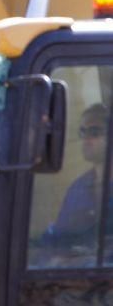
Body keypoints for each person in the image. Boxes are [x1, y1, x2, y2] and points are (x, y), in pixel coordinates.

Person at [44, 104, 111, 248]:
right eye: (83, 132)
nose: (86, 139)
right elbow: (60, 239)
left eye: (94, 132)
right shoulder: (77, 189)